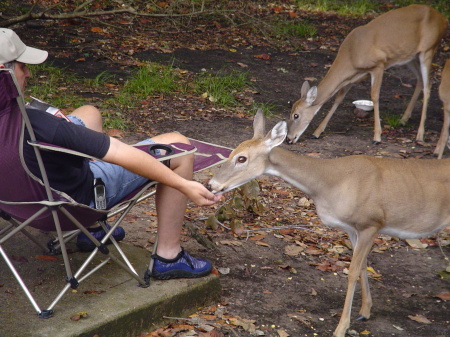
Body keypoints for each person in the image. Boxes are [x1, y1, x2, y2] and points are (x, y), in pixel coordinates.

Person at [0, 28, 222, 280]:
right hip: (69, 206)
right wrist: (184, 185)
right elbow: (116, 150)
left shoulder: (26, 122)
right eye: (21, 66)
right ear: (4, 72)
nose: (28, 73)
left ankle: (92, 231)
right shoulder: (35, 123)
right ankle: (169, 256)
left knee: (89, 112)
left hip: (19, 203)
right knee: (178, 145)